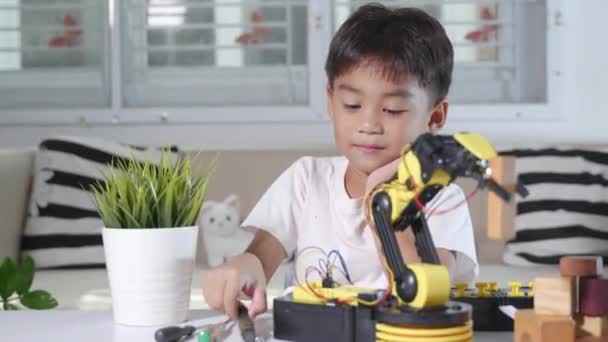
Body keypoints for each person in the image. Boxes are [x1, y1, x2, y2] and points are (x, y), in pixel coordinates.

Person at [202, 3, 478, 320]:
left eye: (393, 110)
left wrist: (383, 207)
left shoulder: (443, 199)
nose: (369, 124)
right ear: (331, 103)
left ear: (436, 116)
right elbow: (257, 261)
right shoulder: (306, 180)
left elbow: (424, 299)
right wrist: (241, 268)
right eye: (352, 104)